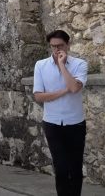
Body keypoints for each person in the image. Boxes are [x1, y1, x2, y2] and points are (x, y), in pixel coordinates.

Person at [33, 29, 88, 196]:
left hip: (76, 124)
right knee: (61, 168)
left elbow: (74, 87)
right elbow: (39, 96)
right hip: (52, 123)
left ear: (68, 45)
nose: (57, 50)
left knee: (75, 168)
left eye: (60, 46)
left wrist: (62, 65)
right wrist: (62, 92)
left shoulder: (80, 64)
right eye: (53, 46)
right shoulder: (40, 65)